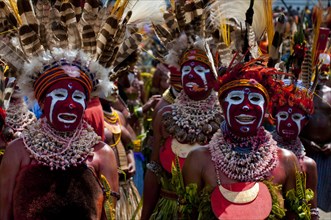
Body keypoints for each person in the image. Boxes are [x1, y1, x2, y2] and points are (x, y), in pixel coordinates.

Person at [0, 0, 144, 219]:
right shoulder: (18, 152)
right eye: (59, 95)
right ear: (42, 100)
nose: (69, 103)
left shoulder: (102, 154)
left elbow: (108, 215)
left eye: (77, 96)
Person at [183, 59, 304, 219]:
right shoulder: (199, 159)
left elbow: (295, 215)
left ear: (266, 108)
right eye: (236, 98)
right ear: (222, 105)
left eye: (254, 99)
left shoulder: (286, 161)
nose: (246, 106)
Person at [270, 80, 318, 219]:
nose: (289, 122)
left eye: (296, 117)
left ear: (306, 122)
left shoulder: (308, 165)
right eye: (283, 116)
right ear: (274, 118)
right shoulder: (261, 158)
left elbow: (312, 210)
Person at [99, 83, 142, 220]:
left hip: (127, 186)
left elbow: (128, 145)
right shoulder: (93, 117)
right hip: (109, 189)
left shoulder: (118, 116)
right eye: (108, 83)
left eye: (115, 84)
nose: (114, 88)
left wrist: (132, 161)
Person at [300, 61, 331, 213]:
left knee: (320, 197)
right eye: (319, 72)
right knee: (301, 195)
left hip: (326, 153)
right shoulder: (302, 94)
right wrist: (305, 141)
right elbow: (293, 122)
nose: (321, 76)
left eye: (325, 72)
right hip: (304, 149)